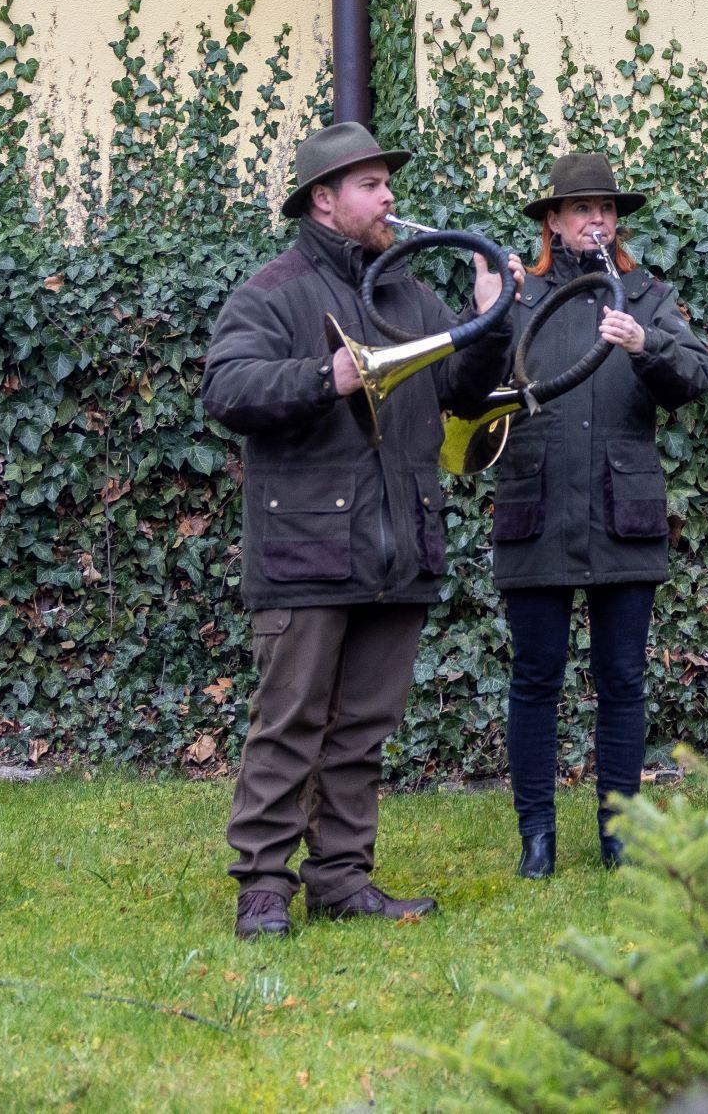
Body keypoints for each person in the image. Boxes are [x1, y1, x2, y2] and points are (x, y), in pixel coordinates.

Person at [201, 121, 514, 938]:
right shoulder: (274, 290)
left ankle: (341, 879)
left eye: (387, 183)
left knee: (364, 730)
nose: (389, 199)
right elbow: (227, 388)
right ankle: (263, 889)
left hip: (397, 542)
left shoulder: (407, 294)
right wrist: (323, 376)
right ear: (324, 200)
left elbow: (464, 395)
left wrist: (490, 321)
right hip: (305, 549)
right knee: (290, 723)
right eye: (371, 185)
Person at [490, 151, 708, 879]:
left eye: (607, 209)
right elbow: (468, 392)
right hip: (538, 505)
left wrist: (646, 346)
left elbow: (697, 376)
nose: (597, 219)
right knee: (536, 679)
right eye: (582, 208)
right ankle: (537, 838)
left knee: (621, 678)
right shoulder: (517, 296)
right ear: (552, 221)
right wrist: (482, 315)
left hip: (625, 512)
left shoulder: (647, 296)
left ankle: (619, 835)